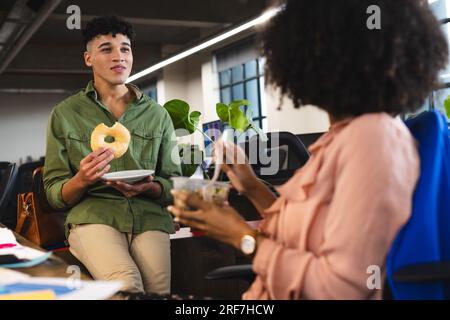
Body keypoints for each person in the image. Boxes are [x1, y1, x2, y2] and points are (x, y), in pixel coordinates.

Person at [168, 0, 448, 299]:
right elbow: (300, 237)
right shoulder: (339, 138)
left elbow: (340, 289)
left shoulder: (370, 139)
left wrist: (240, 236)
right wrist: (249, 184)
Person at [43, 15, 181, 295]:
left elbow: (173, 183)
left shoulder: (157, 115)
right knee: (127, 286)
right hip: (93, 215)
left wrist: (151, 187)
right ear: (88, 59)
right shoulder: (66, 114)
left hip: (149, 216)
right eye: (106, 49)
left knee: (158, 292)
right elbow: (55, 193)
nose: (119, 56)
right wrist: (82, 178)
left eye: (125, 48)